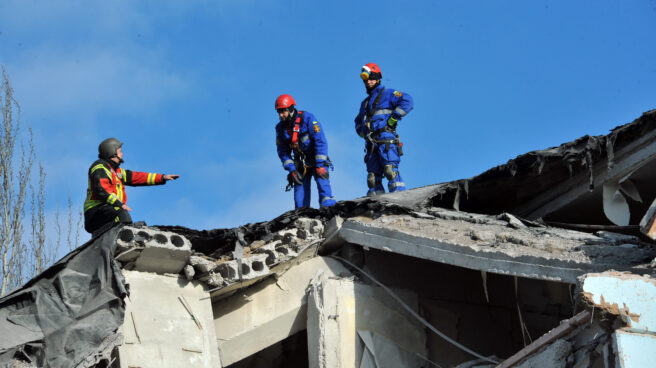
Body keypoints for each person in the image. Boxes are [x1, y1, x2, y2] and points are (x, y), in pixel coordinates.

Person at [84, 138, 179, 234]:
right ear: (112, 152)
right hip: (95, 212)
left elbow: (137, 177)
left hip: (108, 211)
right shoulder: (100, 167)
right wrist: (120, 204)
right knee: (121, 214)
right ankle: (126, 237)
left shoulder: (117, 172)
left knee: (120, 215)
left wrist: (162, 177)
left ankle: (121, 235)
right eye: (120, 151)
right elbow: (101, 189)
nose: (122, 154)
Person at [354, 62, 414, 196]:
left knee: (390, 170)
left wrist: (393, 119)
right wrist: (364, 133)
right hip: (371, 144)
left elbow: (408, 101)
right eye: (366, 80)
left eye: (371, 78)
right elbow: (358, 122)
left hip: (386, 139)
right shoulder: (365, 104)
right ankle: (375, 206)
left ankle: (400, 197)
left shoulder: (388, 94)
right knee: (372, 179)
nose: (369, 82)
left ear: (378, 78)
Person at [275, 94, 336, 208]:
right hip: (300, 165)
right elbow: (282, 152)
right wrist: (292, 170)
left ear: (291, 109)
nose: (280, 115)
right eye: (278, 112)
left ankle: (329, 210)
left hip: (316, 159)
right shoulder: (280, 129)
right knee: (300, 203)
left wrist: (320, 165)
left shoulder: (307, 118)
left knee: (324, 190)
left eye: (283, 111)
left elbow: (320, 140)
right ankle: (303, 218)